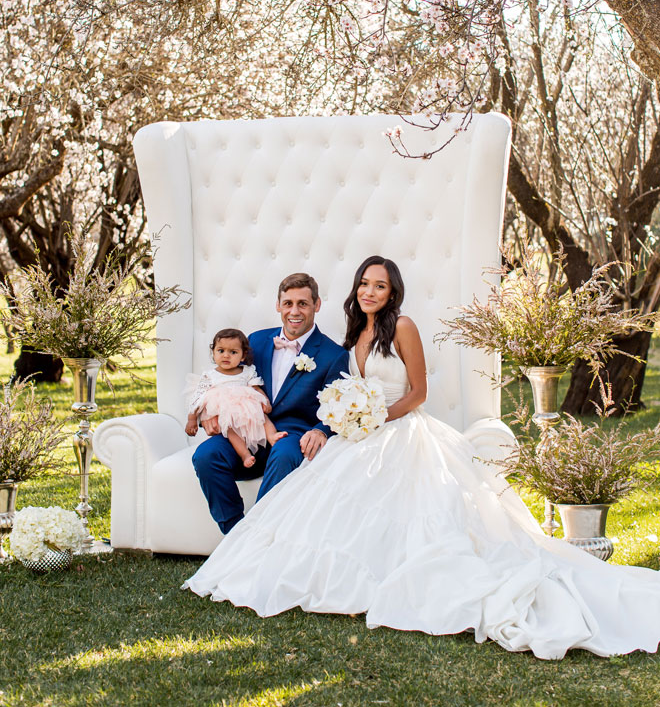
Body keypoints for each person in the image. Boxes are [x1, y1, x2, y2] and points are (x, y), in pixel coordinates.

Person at [184, 256, 660, 660]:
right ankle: (261, 554)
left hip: (402, 429)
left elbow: (419, 392)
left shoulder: (403, 327)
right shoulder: (355, 333)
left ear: (392, 293)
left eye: (380, 286)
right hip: (361, 432)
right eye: (365, 284)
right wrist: (347, 419)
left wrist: (376, 418)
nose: (370, 291)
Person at [191, 272, 349, 534]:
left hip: (292, 434)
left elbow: (338, 407)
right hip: (245, 432)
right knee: (206, 455)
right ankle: (234, 534)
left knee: (285, 452)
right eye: (288, 303)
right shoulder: (255, 340)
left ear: (317, 305)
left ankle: (259, 536)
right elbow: (226, 378)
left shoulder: (334, 355)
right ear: (278, 305)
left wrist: (321, 430)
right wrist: (207, 412)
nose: (294, 311)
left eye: (303, 303)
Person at [184, 328, 287, 468]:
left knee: (263, 417)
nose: (226, 355)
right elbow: (198, 397)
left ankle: (272, 436)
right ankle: (245, 455)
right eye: (221, 351)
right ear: (213, 352)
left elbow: (255, 387)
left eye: (233, 352)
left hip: (247, 407)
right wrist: (192, 419)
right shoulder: (210, 375)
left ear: (243, 356)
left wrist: (265, 401)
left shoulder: (247, 371)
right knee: (230, 432)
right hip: (226, 411)